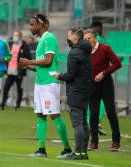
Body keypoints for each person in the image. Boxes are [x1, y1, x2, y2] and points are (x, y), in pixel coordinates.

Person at [19, 14, 72, 158]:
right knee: (40, 115)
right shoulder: (42, 40)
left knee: (54, 115)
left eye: (32, 24)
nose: (30, 27)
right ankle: (41, 150)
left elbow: (48, 61)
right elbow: (41, 66)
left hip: (50, 83)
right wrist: (26, 66)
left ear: (40, 24)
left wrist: (29, 61)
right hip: (40, 83)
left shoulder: (49, 38)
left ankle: (67, 149)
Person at [53, 27, 92, 160]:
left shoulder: (74, 53)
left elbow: (70, 75)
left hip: (76, 91)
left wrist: (59, 76)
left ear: (75, 38)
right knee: (84, 123)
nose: (68, 39)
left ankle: (77, 152)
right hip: (86, 90)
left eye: (69, 36)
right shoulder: (87, 51)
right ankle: (84, 152)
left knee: (77, 124)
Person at [84, 29, 121, 151]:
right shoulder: (85, 51)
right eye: (85, 39)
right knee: (93, 114)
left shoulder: (105, 48)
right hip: (92, 85)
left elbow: (117, 63)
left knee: (111, 112)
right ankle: (94, 142)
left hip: (106, 84)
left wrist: (103, 73)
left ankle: (116, 142)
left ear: (95, 38)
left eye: (88, 38)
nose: (86, 41)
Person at [0, 31, 31, 111]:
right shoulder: (10, 45)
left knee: (19, 89)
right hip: (10, 71)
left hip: (18, 72)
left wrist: (22, 69)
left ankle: (17, 105)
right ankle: (3, 104)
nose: (14, 37)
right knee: (6, 88)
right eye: (14, 35)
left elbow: (28, 57)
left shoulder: (24, 45)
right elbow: (7, 56)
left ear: (20, 37)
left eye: (16, 35)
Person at [87, 21, 107, 136]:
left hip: (91, 73)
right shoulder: (99, 39)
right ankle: (96, 123)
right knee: (100, 100)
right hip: (99, 74)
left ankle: (92, 123)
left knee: (92, 99)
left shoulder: (87, 39)